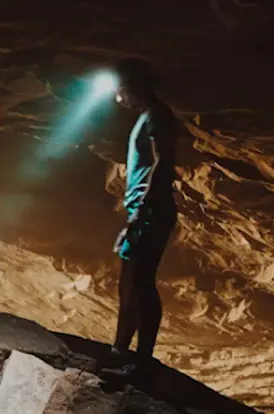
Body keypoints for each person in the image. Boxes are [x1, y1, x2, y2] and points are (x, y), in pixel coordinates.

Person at [102, 57, 178, 378]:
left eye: (121, 90)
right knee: (128, 283)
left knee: (142, 283)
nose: (120, 98)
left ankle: (141, 361)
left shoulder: (159, 116)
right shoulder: (148, 117)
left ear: (134, 85)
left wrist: (143, 212)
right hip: (142, 210)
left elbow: (164, 163)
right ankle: (120, 351)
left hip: (151, 211)